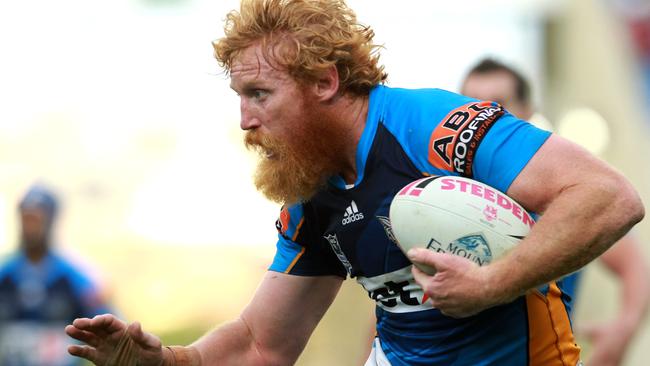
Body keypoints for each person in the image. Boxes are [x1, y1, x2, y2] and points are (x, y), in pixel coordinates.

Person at [65, 1, 645, 365]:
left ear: (324, 81)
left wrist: (492, 282)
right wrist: (166, 362)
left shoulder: (437, 129)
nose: (244, 120)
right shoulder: (312, 192)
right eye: (239, 98)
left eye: (259, 95)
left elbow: (607, 197)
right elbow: (262, 344)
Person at [461, 57, 650, 366]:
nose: (482, 118)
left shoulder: (561, 192)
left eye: (497, 105)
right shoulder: (440, 195)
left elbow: (634, 267)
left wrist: (623, 329)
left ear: (527, 112)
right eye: (471, 106)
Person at [0, 184, 111, 366]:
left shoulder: (74, 277)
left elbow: (106, 326)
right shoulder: (6, 275)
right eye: (25, 219)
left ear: (50, 221)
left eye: (35, 220)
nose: (29, 227)